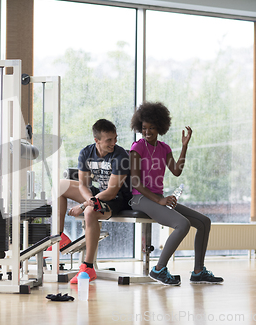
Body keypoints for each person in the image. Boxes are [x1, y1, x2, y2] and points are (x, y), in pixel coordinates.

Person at [129, 102, 223, 285]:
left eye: (152, 128)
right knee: (183, 224)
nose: (147, 132)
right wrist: (160, 200)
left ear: (160, 128)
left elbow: (176, 171)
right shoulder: (137, 147)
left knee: (204, 222)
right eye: (144, 128)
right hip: (139, 198)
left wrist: (184, 147)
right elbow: (135, 182)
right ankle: (158, 269)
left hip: (157, 198)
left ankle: (198, 272)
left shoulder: (164, 148)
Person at [50, 118, 131, 283]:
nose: (113, 143)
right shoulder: (86, 153)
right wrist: (89, 200)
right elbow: (83, 185)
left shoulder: (120, 155)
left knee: (89, 211)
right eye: (109, 140)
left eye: (115, 138)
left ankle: (88, 267)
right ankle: (59, 236)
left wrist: (85, 204)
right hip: (98, 194)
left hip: (116, 199)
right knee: (60, 185)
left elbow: (111, 191)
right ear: (97, 141)